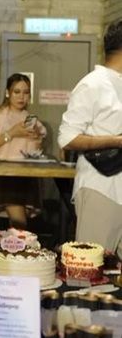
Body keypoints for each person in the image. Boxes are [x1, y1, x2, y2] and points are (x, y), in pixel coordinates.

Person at [58, 20, 122, 256]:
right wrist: (116, 141)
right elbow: (67, 137)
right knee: (90, 268)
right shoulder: (93, 85)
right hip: (100, 189)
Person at [0, 73, 46, 228]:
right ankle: (18, 249)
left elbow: (35, 151)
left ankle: (14, 249)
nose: (21, 97)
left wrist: (36, 140)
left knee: (18, 224)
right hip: (4, 173)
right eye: (17, 92)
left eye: (26, 92)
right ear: (8, 93)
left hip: (25, 173)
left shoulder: (31, 119)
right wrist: (12, 133)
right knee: (19, 223)